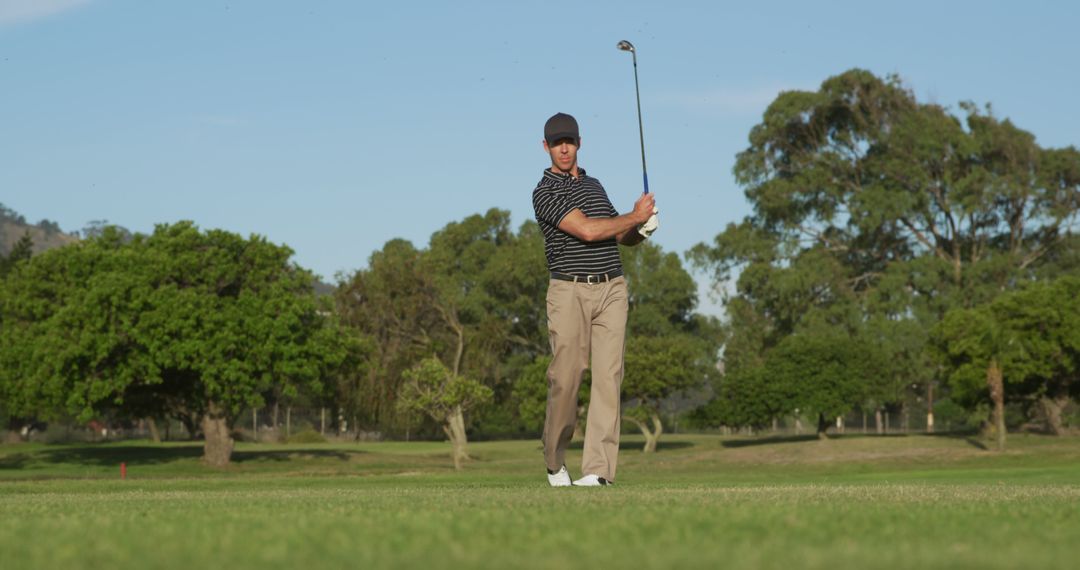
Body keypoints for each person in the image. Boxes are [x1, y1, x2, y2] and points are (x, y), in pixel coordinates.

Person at [531, 112, 656, 487]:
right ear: (546, 147)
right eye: (557, 143)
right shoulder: (544, 192)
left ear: (579, 143)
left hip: (612, 289)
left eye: (569, 141)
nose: (564, 148)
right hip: (569, 291)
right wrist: (632, 215)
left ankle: (598, 471)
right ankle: (555, 462)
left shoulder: (595, 185)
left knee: (608, 378)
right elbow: (586, 231)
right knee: (566, 378)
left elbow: (618, 236)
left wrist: (642, 229)